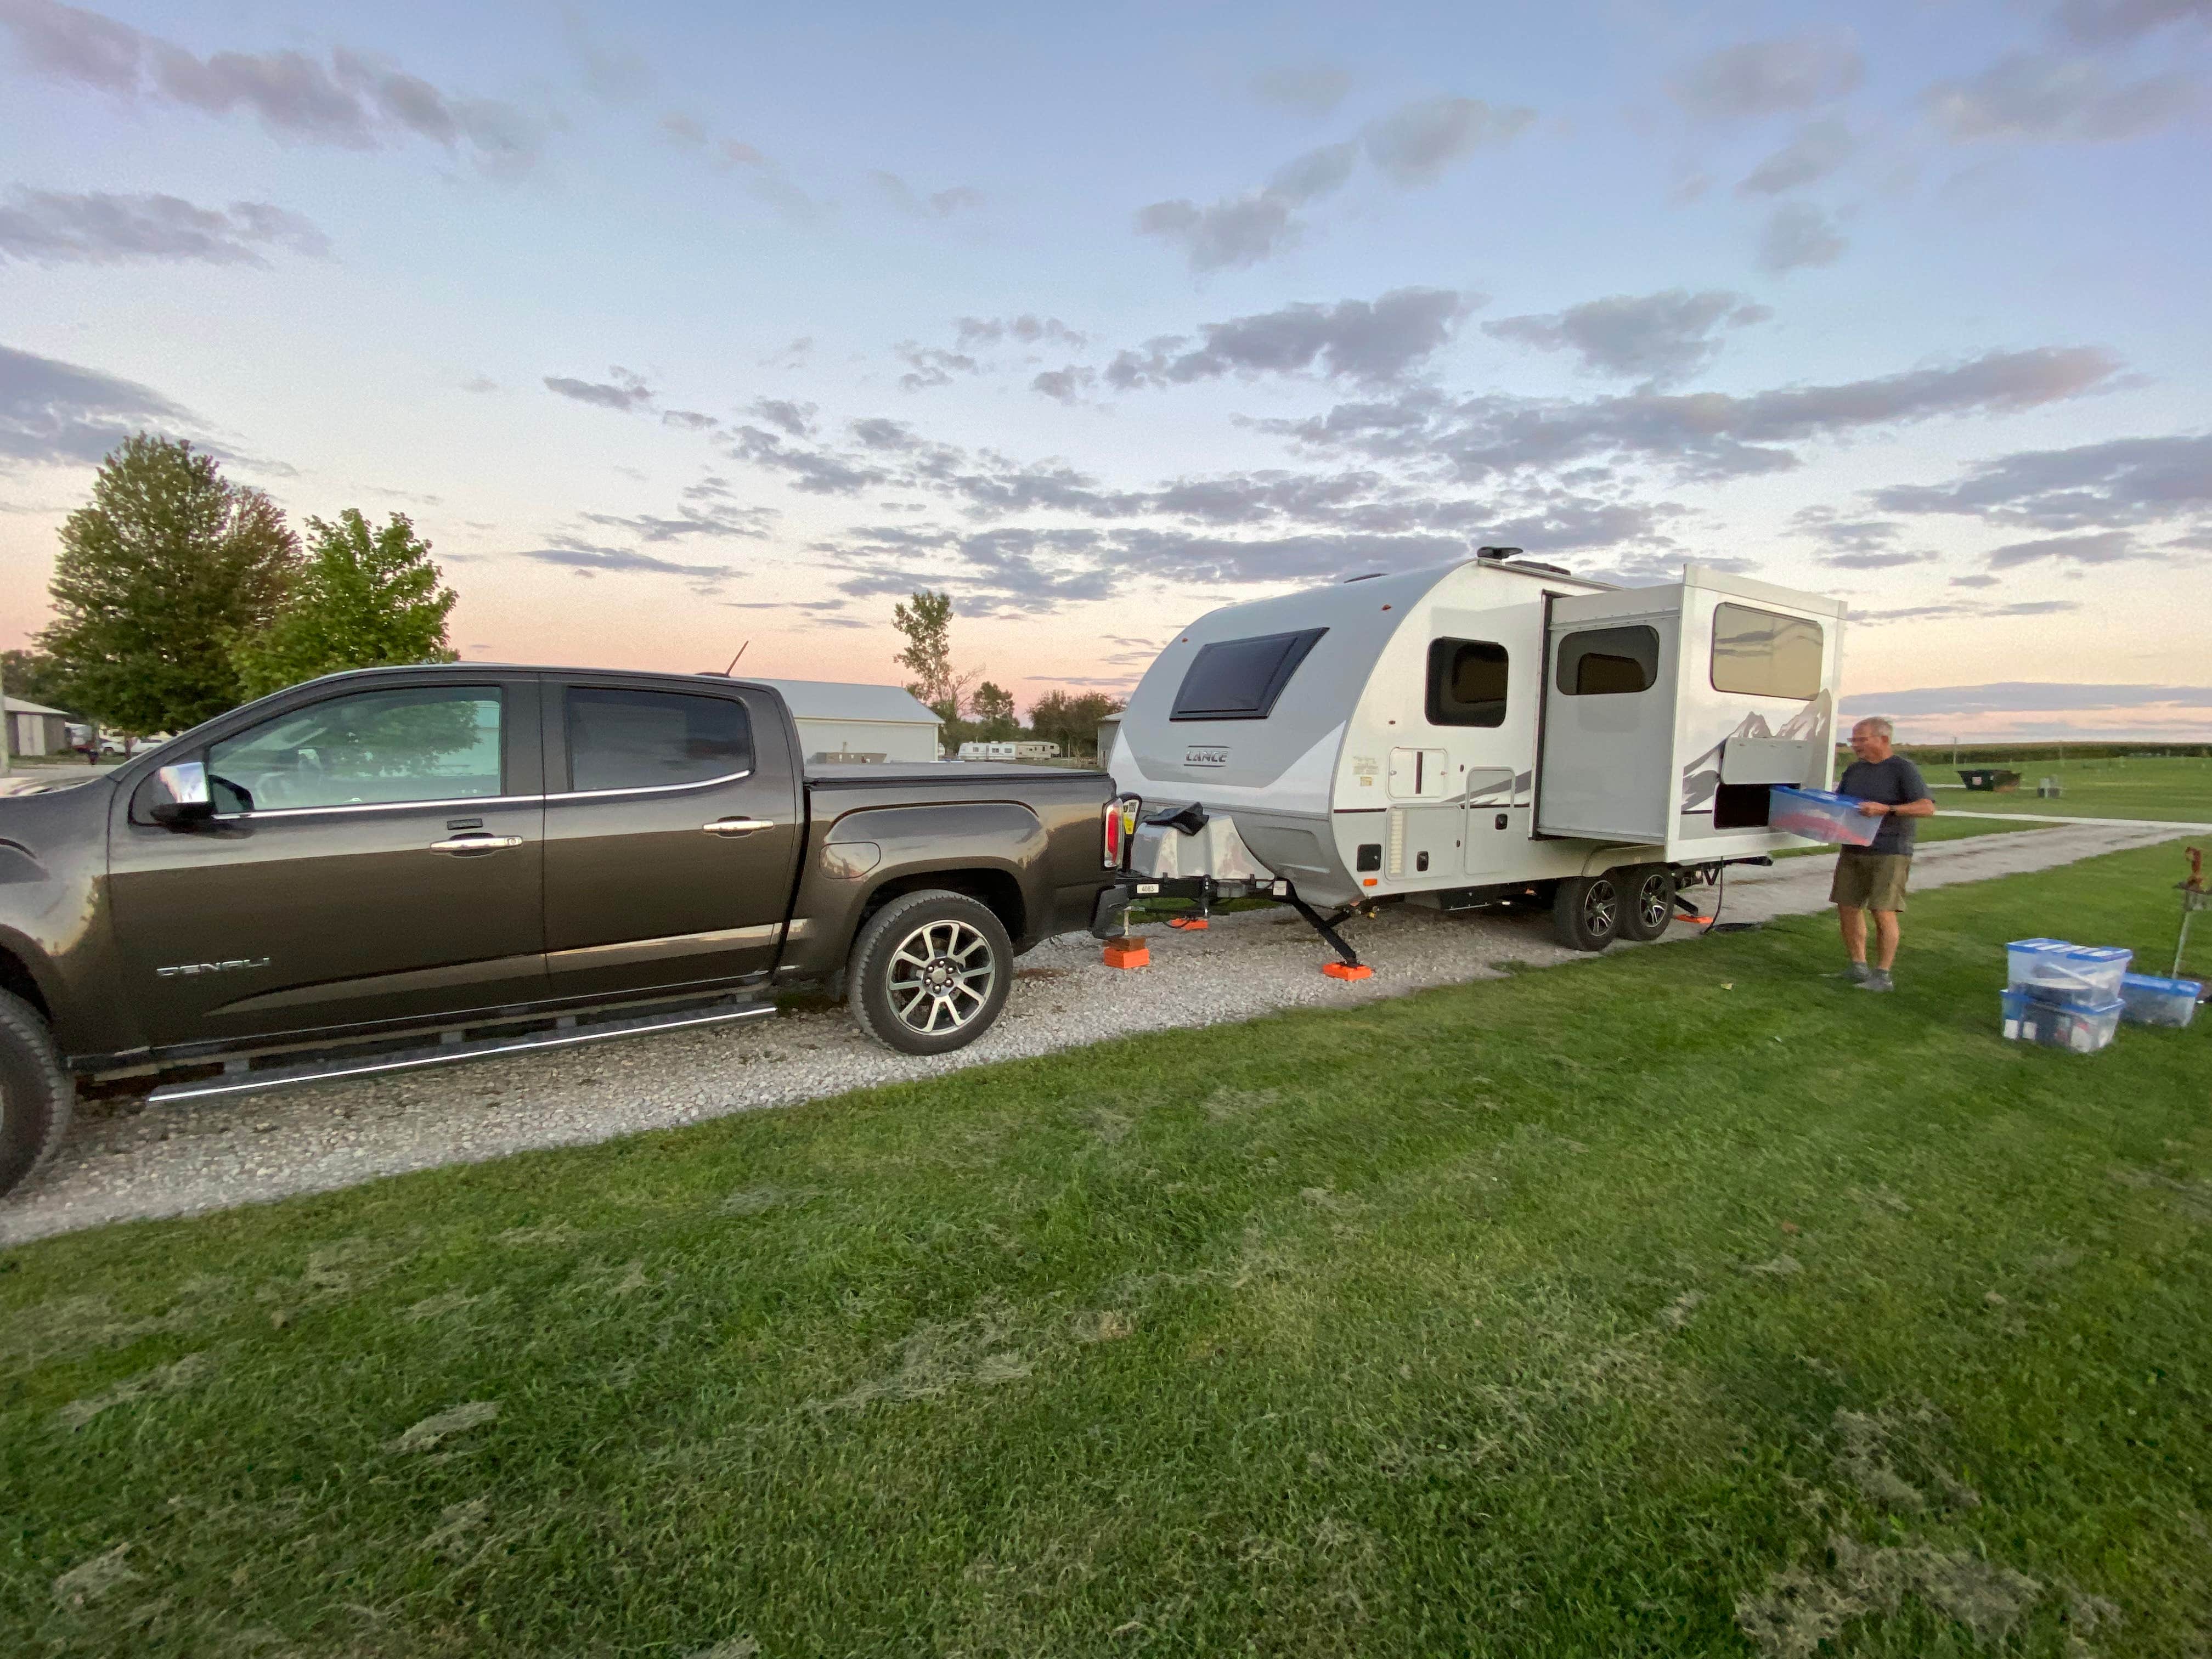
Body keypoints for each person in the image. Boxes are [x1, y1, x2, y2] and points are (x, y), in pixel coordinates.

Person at [1831, 716, 1934, 992]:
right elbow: (1840, 802)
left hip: (1890, 850)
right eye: (1853, 740)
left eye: (1861, 740)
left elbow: (1927, 808)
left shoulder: (1903, 769)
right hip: (1853, 847)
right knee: (1848, 907)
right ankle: (1857, 967)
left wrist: (1886, 809)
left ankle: (1883, 975)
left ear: (1884, 739)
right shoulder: (1854, 770)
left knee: (1883, 911)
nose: (1855, 746)